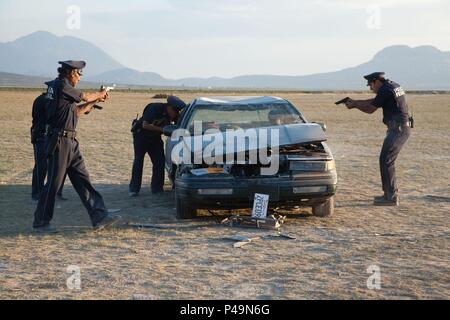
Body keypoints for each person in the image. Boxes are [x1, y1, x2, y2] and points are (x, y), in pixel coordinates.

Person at [33, 60, 120, 232]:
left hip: (70, 141)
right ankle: (41, 222)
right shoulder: (62, 86)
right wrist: (99, 93)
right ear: (72, 72)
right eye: (79, 74)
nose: (79, 78)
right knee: (53, 184)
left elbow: (76, 112)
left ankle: (100, 217)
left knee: (83, 180)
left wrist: (94, 102)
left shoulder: (61, 90)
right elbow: (85, 96)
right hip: (60, 141)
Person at [344, 72, 412, 206]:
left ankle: (390, 198)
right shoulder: (392, 86)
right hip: (401, 127)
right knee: (387, 161)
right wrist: (356, 102)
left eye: (370, 85)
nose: (370, 88)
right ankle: (390, 194)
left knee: (386, 161)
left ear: (376, 82)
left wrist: (355, 105)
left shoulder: (386, 89)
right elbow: (376, 101)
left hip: (398, 129)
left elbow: (370, 109)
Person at [129, 96, 186, 197]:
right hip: (141, 136)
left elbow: (179, 127)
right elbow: (145, 125)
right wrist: (163, 130)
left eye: (178, 112)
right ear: (169, 107)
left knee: (159, 162)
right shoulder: (154, 108)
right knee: (138, 161)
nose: (176, 114)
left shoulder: (173, 114)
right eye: (175, 111)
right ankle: (134, 190)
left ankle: (157, 189)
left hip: (155, 139)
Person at [31, 92, 67, 202]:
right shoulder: (44, 100)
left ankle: (54, 193)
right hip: (41, 136)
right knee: (41, 166)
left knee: (58, 166)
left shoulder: (48, 99)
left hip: (51, 136)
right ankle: (37, 194)